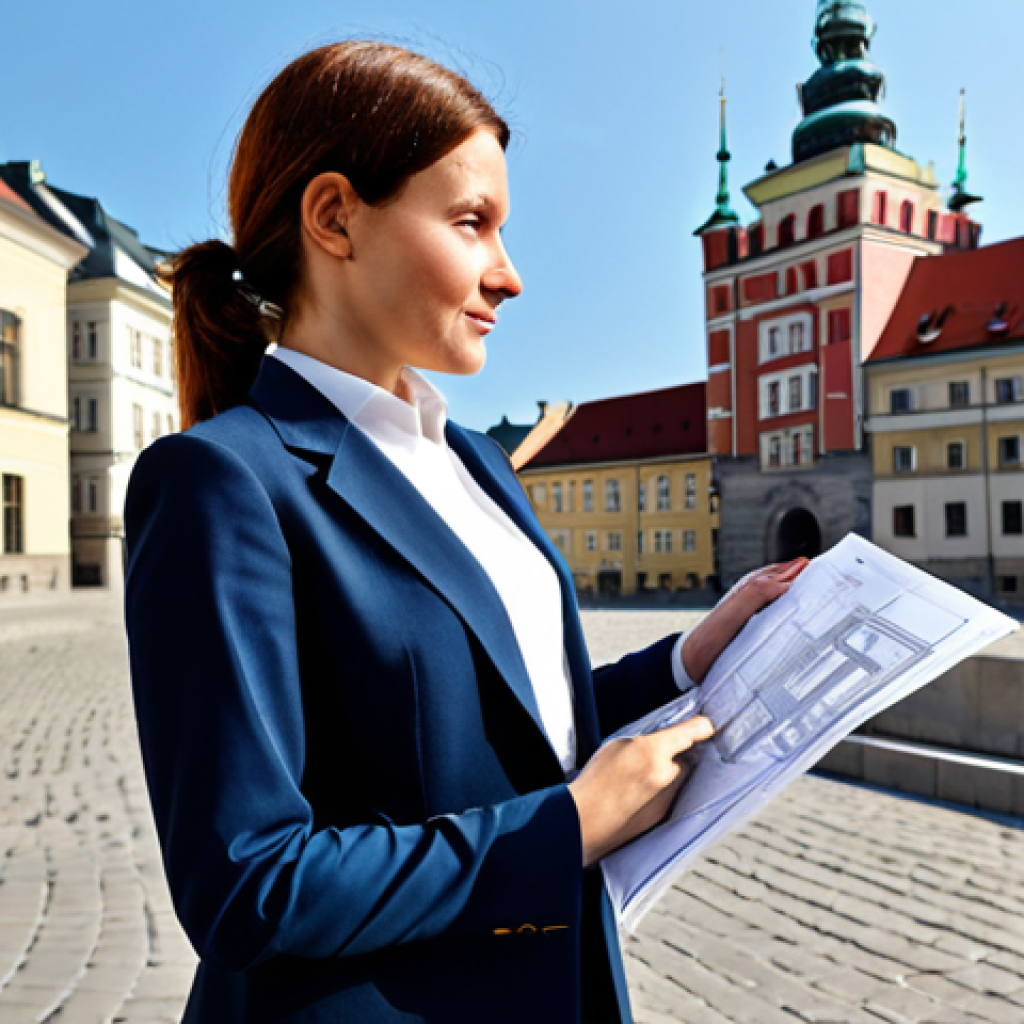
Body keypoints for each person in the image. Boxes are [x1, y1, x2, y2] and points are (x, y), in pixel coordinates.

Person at [124, 40, 806, 1024]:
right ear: (334, 218)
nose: (510, 274)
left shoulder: (478, 461)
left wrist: (683, 662)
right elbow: (249, 886)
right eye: (471, 222)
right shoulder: (223, 481)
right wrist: (564, 829)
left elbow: (494, 719)